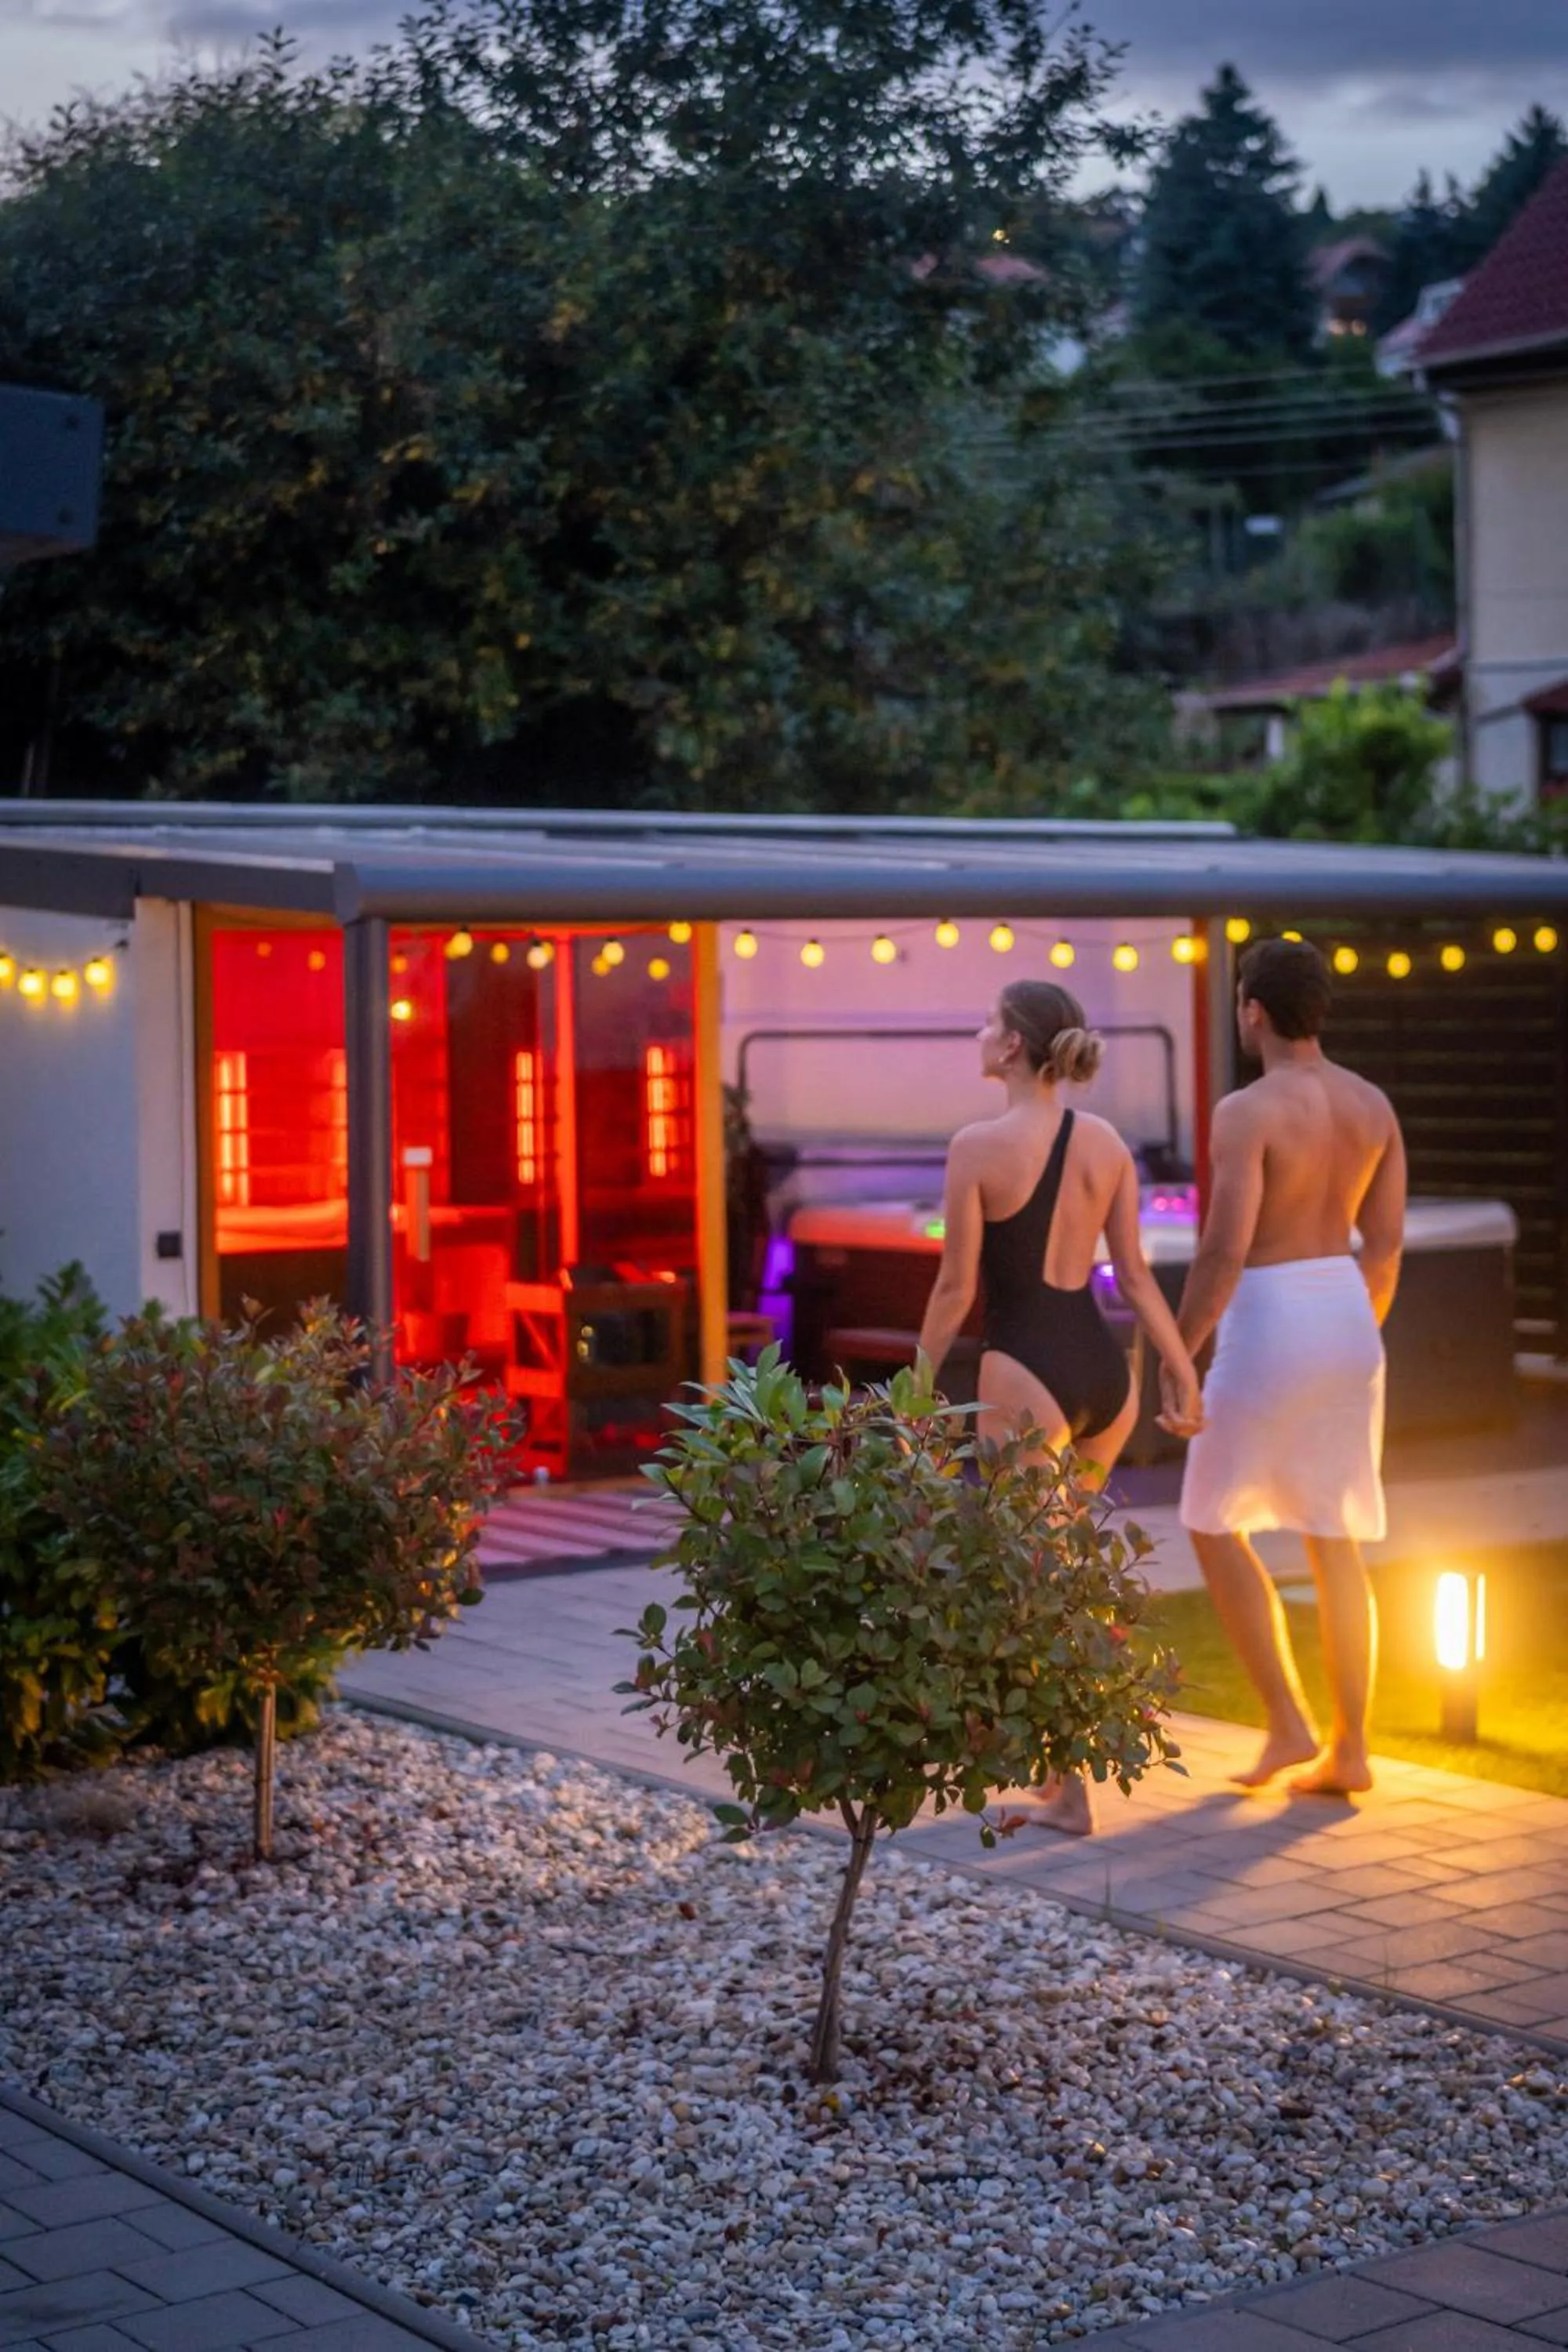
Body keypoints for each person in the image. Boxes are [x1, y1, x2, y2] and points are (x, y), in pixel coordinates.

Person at [916, 978, 1206, 1832]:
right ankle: (1055, 1769)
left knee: (1032, 1584)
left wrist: (913, 1389)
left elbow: (955, 1287)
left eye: (987, 1022)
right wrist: (1182, 1370)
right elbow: (1137, 1276)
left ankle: (1070, 1788)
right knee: (1064, 1575)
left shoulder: (976, 1145)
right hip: (1101, 1372)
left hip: (1025, 1371)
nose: (978, 1033)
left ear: (1012, 1045)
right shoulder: (1106, 1142)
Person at [1171, 937, 1406, 1798]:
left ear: (1253, 1010)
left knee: (1207, 1515)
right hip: (1346, 1313)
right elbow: (1384, 1247)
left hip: (1269, 1313)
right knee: (1332, 1534)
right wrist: (1351, 1330)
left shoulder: (1248, 1110)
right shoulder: (1371, 1105)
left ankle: (1287, 1723)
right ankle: (1351, 1749)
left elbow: (1223, 1251)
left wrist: (1176, 1355)